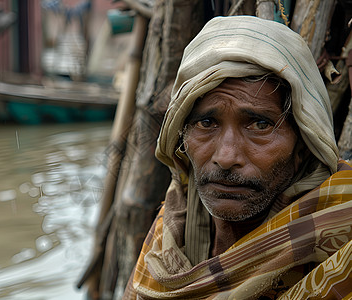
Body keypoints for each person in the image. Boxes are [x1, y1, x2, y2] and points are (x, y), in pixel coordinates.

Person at [123, 16, 352, 299]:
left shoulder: (343, 240)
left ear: (303, 145)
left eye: (259, 125)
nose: (226, 157)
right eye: (206, 123)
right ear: (181, 136)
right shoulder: (170, 230)